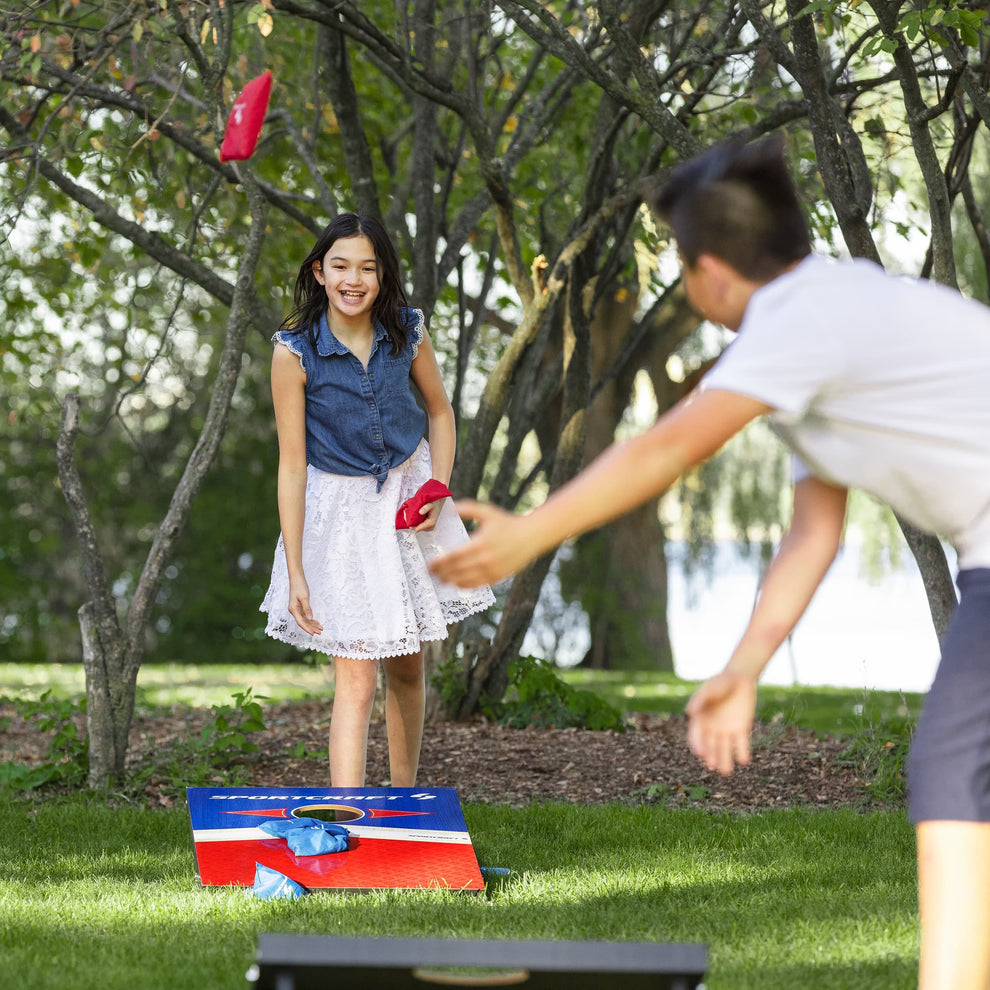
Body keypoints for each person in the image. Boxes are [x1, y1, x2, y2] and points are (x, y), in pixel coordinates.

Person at [429, 135, 990, 990]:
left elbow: (669, 447)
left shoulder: (800, 319)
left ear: (710, 273)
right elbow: (813, 532)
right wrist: (744, 667)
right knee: (957, 766)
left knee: (952, 765)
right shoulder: (821, 323)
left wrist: (531, 530)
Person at [260, 213, 494, 789]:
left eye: (368, 267)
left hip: (408, 506)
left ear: (384, 276)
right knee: (357, 679)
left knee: (408, 667)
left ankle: (404, 800)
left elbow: (440, 412)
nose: (353, 279)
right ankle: (350, 814)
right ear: (319, 272)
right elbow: (292, 466)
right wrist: (295, 568)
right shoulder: (293, 353)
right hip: (339, 519)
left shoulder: (406, 333)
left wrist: (437, 487)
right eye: (340, 265)